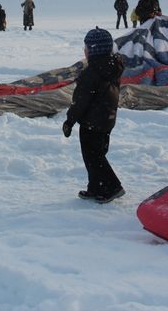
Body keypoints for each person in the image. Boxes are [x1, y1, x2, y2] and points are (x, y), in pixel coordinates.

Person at [62, 27, 125, 204]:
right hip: (107, 118)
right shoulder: (112, 66)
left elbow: (80, 101)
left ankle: (112, 187)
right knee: (97, 154)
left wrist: (69, 121)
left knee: (93, 157)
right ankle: (96, 187)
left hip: (92, 121)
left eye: (87, 48)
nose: (85, 51)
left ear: (94, 49)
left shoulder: (92, 73)